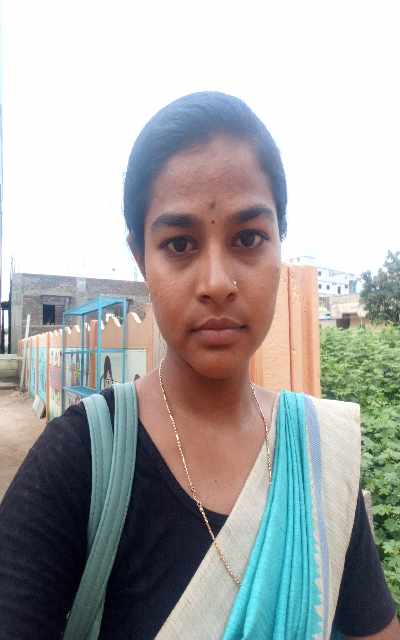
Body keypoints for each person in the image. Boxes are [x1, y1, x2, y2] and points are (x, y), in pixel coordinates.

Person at [0, 92, 398, 639]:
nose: (216, 283)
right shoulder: (81, 462)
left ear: (280, 245)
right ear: (141, 258)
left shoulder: (318, 457)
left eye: (249, 238)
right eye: (180, 243)